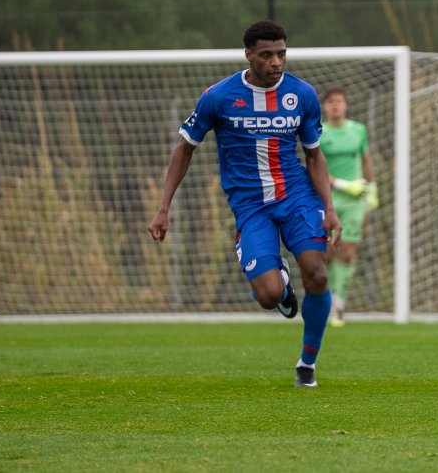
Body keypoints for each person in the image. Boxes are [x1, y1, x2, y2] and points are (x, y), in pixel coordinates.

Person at [148, 20, 341, 389]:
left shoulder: (302, 94)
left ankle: (307, 364)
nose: (276, 62)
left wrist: (330, 208)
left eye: (281, 54)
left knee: (317, 273)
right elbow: (184, 149)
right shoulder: (218, 97)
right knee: (268, 296)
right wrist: (163, 208)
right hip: (251, 205)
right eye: (267, 55)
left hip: (296, 196)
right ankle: (280, 283)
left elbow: (314, 156)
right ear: (249, 54)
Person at [318, 87, 378, 327]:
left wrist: (372, 188)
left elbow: (365, 159)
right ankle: (326, 299)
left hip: (354, 200)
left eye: (340, 101)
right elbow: (315, 168)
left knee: (347, 253)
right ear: (325, 106)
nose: (336, 105)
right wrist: (343, 184)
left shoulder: (358, 130)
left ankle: (339, 304)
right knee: (327, 253)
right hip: (327, 199)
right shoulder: (319, 132)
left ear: (346, 105)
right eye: (331, 101)